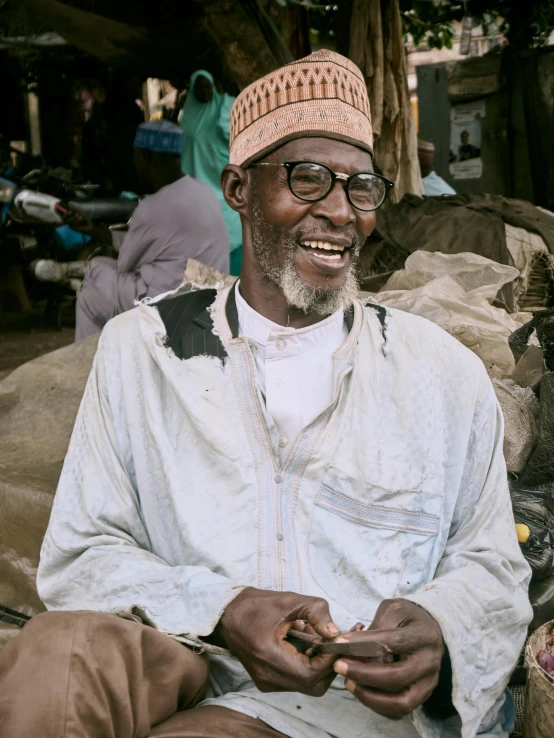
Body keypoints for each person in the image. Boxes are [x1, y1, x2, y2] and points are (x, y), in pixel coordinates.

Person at [0, 50, 531, 738]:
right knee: (54, 655)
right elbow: (81, 557)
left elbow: (491, 565)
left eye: (361, 187)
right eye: (308, 179)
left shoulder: (438, 372)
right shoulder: (145, 350)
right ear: (239, 188)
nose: (341, 212)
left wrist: (441, 629)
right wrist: (223, 606)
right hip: (184, 653)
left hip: (341, 714)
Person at [70, 120, 229, 341]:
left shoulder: (152, 207)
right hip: (207, 297)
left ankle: (91, 367)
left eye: (135, 155)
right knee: (102, 274)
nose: (133, 162)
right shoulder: (204, 192)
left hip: (169, 305)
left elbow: (124, 264)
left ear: (145, 156)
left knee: (92, 284)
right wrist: (95, 230)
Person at [180, 70, 243, 275]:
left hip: (226, 197)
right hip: (197, 200)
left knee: (232, 262)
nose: (204, 91)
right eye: (199, 87)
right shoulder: (188, 116)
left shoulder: (226, 112)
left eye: (208, 86)